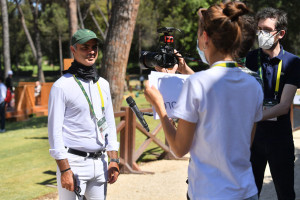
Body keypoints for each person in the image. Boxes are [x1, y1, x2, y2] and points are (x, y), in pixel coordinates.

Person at [145, 2, 263, 200]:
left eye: (199, 33)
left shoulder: (196, 83)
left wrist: (160, 106)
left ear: (205, 38)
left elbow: (179, 148)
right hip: (246, 191)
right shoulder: (253, 85)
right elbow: (246, 143)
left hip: (209, 193)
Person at [48, 29, 120, 200]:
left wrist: (114, 160)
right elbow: (54, 133)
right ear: (73, 50)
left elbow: (109, 123)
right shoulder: (61, 86)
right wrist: (65, 170)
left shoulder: (102, 84)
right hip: (73, 163)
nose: (91, 51)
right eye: (85, 47)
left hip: (100, 162)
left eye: (94, 47)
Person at [246, 7, 300, 200]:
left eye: (267, 29)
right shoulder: (250, 59)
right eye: (259, 29)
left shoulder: (293, 62)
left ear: (280, 33)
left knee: (285, 194)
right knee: (249, 194)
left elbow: (285, 105)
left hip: (280, 139)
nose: (261, 34)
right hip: (252, 138)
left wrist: (252, 115)